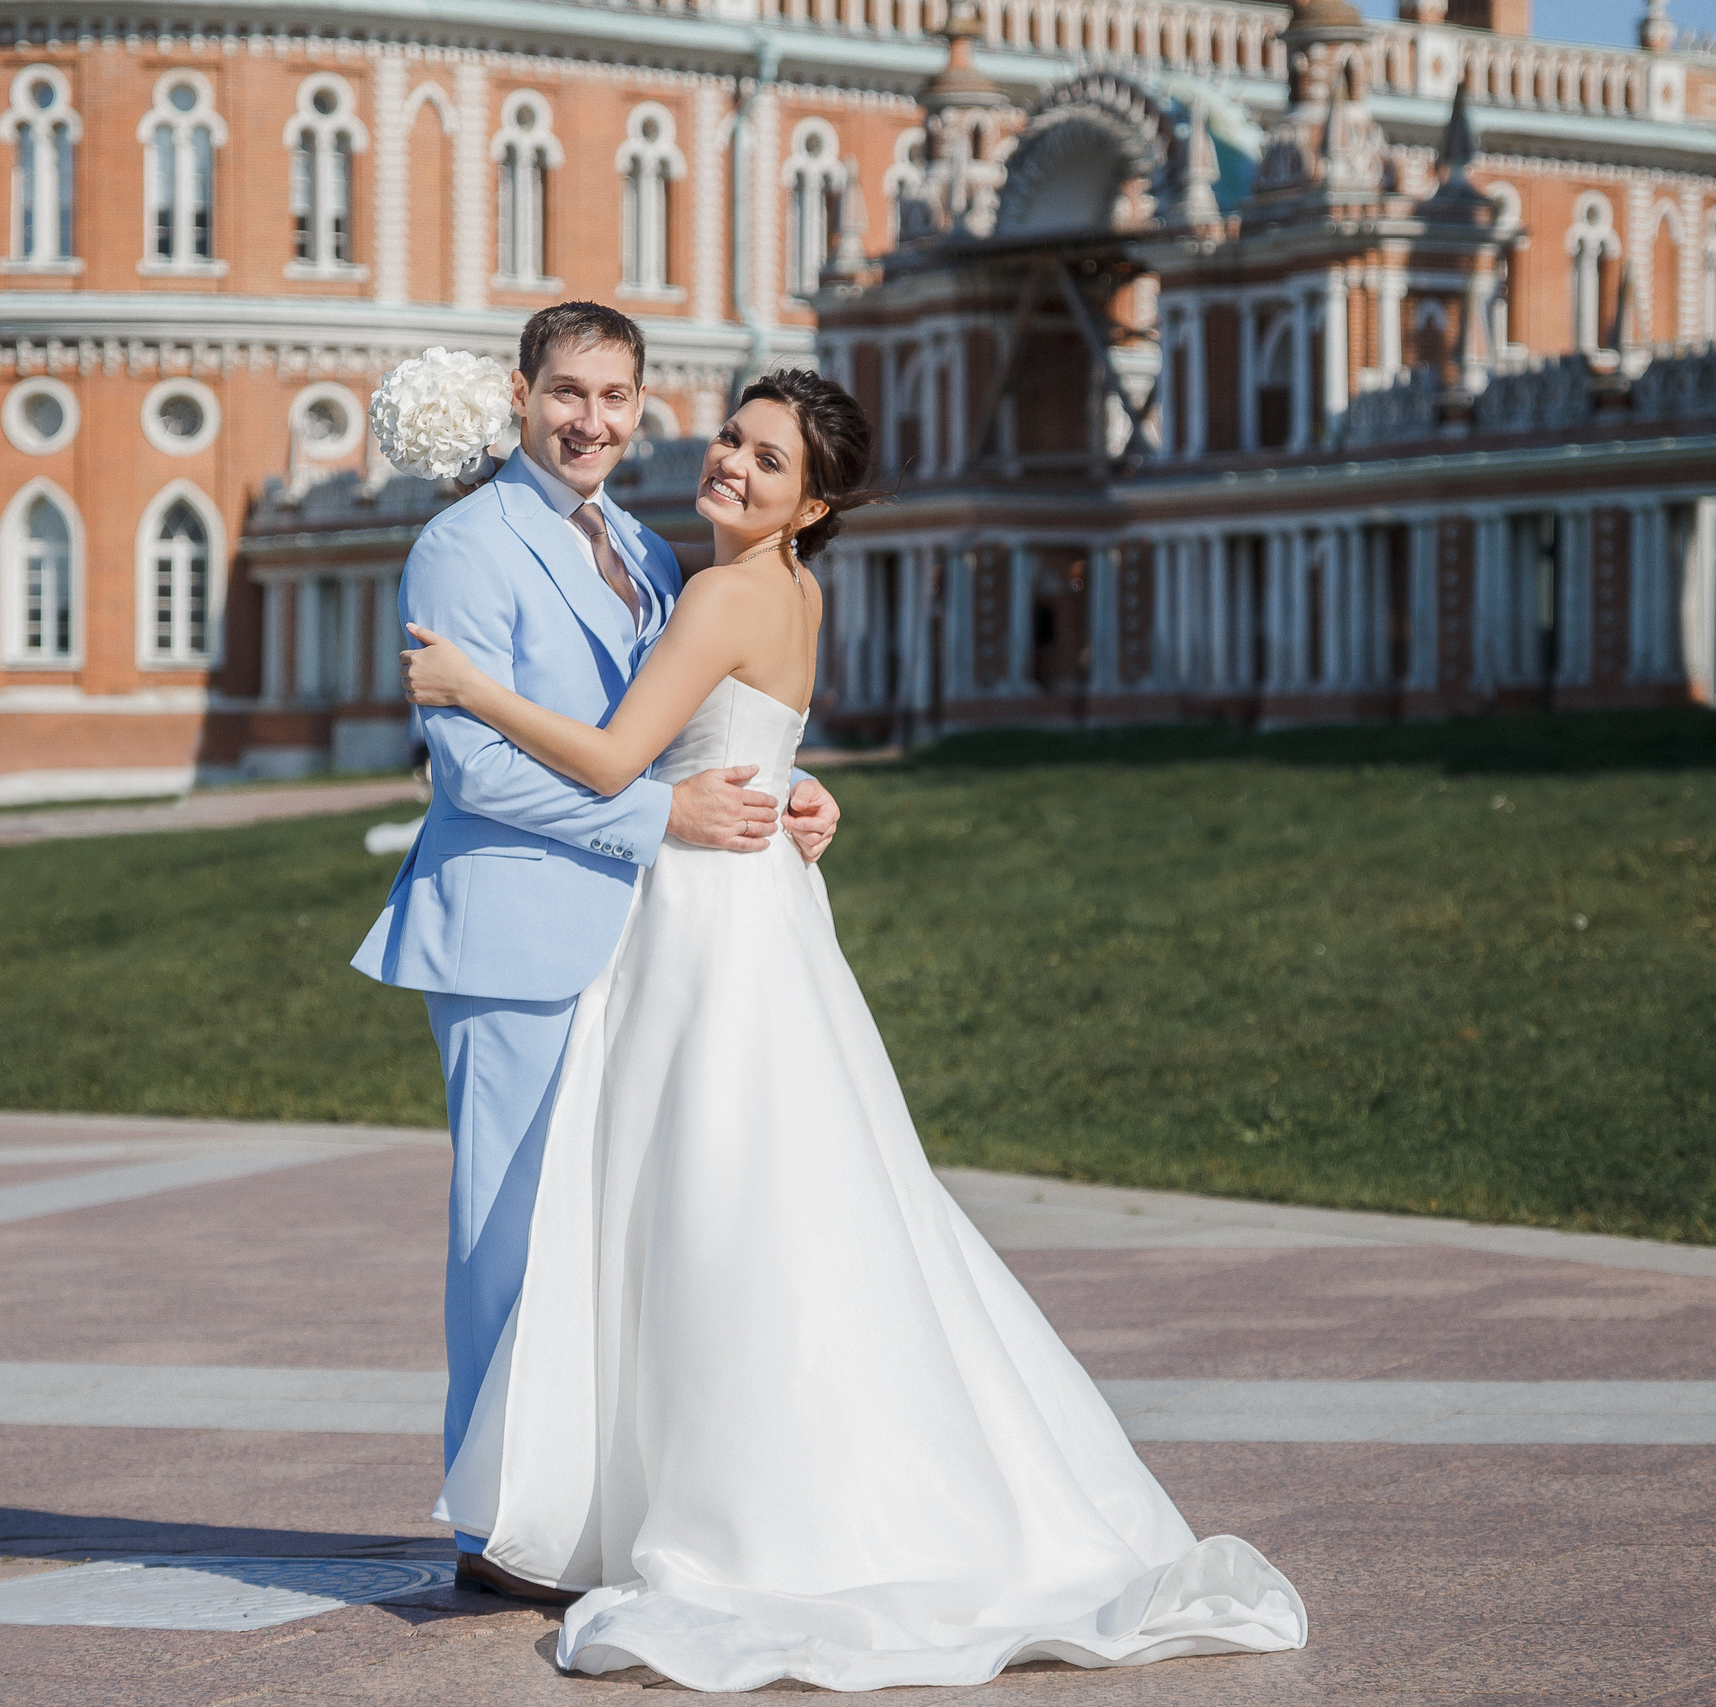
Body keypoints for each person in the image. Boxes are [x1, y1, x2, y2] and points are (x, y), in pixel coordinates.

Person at [396, 368, 1307, 1691]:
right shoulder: (788, 590)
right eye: (731, 441)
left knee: (709, 1204)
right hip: (757, 911)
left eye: (769, 464)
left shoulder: (717, 591)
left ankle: (718, 1503)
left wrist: (472, 688)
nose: (734, 469)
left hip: (707, 925)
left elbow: (611, 761)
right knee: (789, 1199)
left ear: (812, 501)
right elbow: (738, 746)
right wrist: (800, 792)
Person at [350, 303, 843, 1603]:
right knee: (506, 1240)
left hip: (641, 937)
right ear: (522, 395)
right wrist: (656, 813)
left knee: (602, 1237)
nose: (593, 422)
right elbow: (466, 763)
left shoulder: (643, 545)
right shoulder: (465, 545)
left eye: (617, 398)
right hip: (512, 928)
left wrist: (789, 791)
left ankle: (582, 1508)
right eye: (568, 393)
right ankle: (492, 1532)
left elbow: (687, 723)